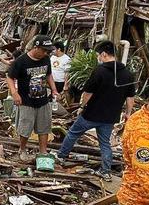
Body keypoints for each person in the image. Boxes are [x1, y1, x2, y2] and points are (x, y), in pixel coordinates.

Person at [56, 40, 136, 181]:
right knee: (105, 143)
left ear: (104, 54)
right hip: (110, 117)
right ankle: (105, 171)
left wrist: (81, 106)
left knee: (73, 133)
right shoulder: (127, 74)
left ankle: (61, 157)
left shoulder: (99, 71)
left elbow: (88, 93)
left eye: (99, 55)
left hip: (91, 114)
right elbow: (130, 97)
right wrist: (128, 113)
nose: (98, 57)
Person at [6, 35, 59, 161]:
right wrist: (14, 93)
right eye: (44, 50)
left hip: (43, 100)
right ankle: (22, 149)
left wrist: (54, 89)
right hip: (26, 101)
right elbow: (9, 77)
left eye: (48, 51)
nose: (46, 53)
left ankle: (43, 152)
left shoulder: (46, 59)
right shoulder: (21, 61)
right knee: (25, 128)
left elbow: (48, 75)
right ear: (36, 47)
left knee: (44, 127)